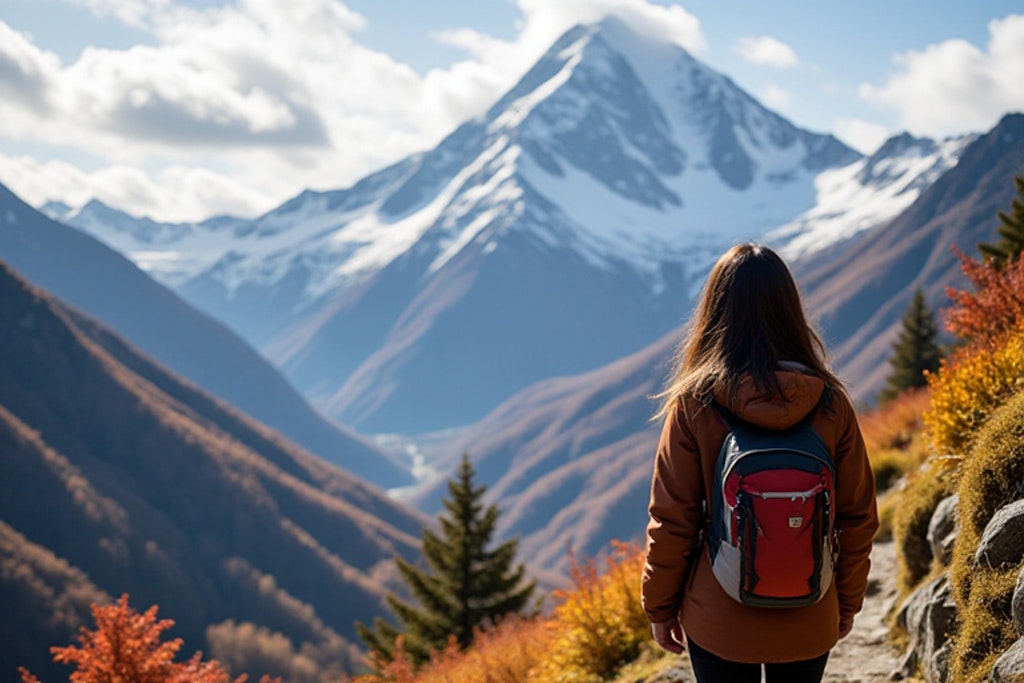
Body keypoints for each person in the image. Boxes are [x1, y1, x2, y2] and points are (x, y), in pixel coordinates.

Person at [641, 243, 878, 683]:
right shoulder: (830, 402)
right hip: (811, 609)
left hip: (718, 617)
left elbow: (672, 520)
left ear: (714, 313)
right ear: (790, 309)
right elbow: (858, 517)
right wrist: (845, 603)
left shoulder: (695, 404)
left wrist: (659, 607)